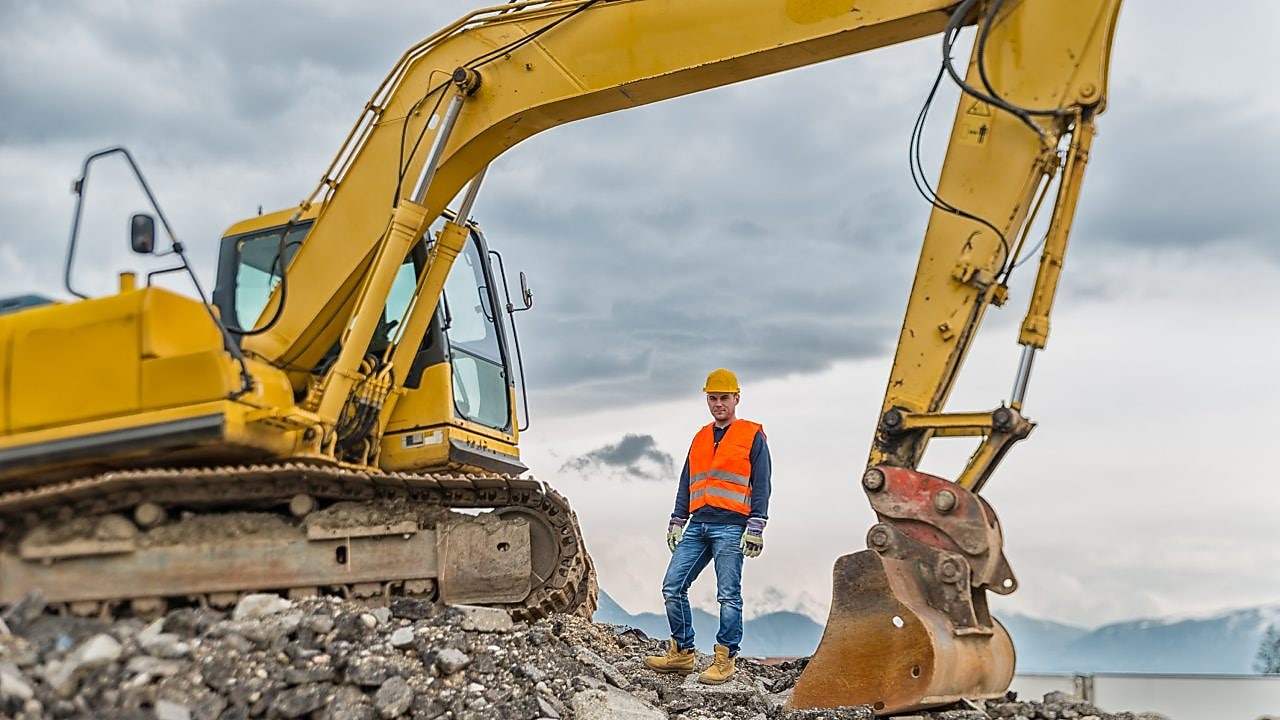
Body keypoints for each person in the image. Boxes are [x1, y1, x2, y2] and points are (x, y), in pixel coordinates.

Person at [643, 368, 772, 685]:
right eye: (712, 398)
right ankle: (683, 652)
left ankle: (725, 659)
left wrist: (756, 526)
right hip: (697, 525)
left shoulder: (752, 435)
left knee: (728, 596)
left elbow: (762, 483)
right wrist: (677, 519)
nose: (718, 404)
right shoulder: (700, 437)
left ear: (736, 398)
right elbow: (687, 481)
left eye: (724, 398)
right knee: (672, 587)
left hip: (731, 527)